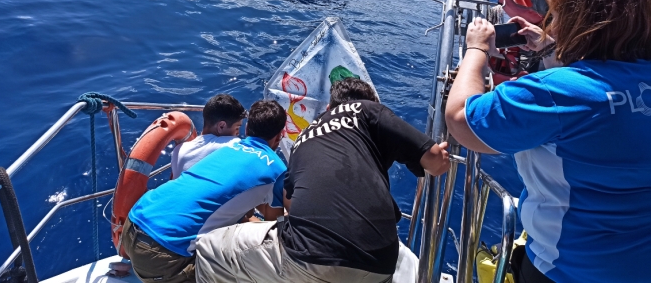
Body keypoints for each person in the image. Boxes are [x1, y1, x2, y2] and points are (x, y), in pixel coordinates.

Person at [445, 0, 651, 283]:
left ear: (575, 18)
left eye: (555, 14)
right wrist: (549, 48)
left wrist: (477, 49)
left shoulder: (554, 94)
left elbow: (460, 121)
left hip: (569, 270)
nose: (550, 24)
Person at [195, 77, 450, 283]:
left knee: (208, 249)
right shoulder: (368, 110)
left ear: (328, 108)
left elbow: (291, 206)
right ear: (371, 102)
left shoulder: (303, 138)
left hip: (311, 259)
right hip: (381, 266)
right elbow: (435, 162)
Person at [122, 100, 288, 283]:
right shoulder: (278, 171)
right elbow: (273, 228)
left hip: (132, 225)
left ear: (247, 129)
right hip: (162, 255)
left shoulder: (229, 147)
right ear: (280, 136)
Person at [171, 94, 245, 178]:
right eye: (237, 128)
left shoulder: (177, 151)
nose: (238, 133)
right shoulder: (232, 146)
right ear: (221, 126)